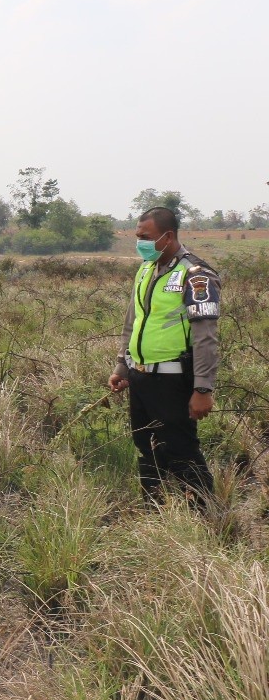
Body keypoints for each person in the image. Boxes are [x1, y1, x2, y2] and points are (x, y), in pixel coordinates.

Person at [108, 206, 219, 505]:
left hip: (174, 380)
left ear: (167, 236)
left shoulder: (196, 275)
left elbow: (206, 337)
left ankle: (206, 516)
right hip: (140, 377)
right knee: (147, 447)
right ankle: (155, 512)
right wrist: (122, 365)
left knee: (182, 450)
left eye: (146, 237)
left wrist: (203, 389)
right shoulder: (146, 268)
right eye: (137, 236)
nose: (140, 242)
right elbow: (133, 321)